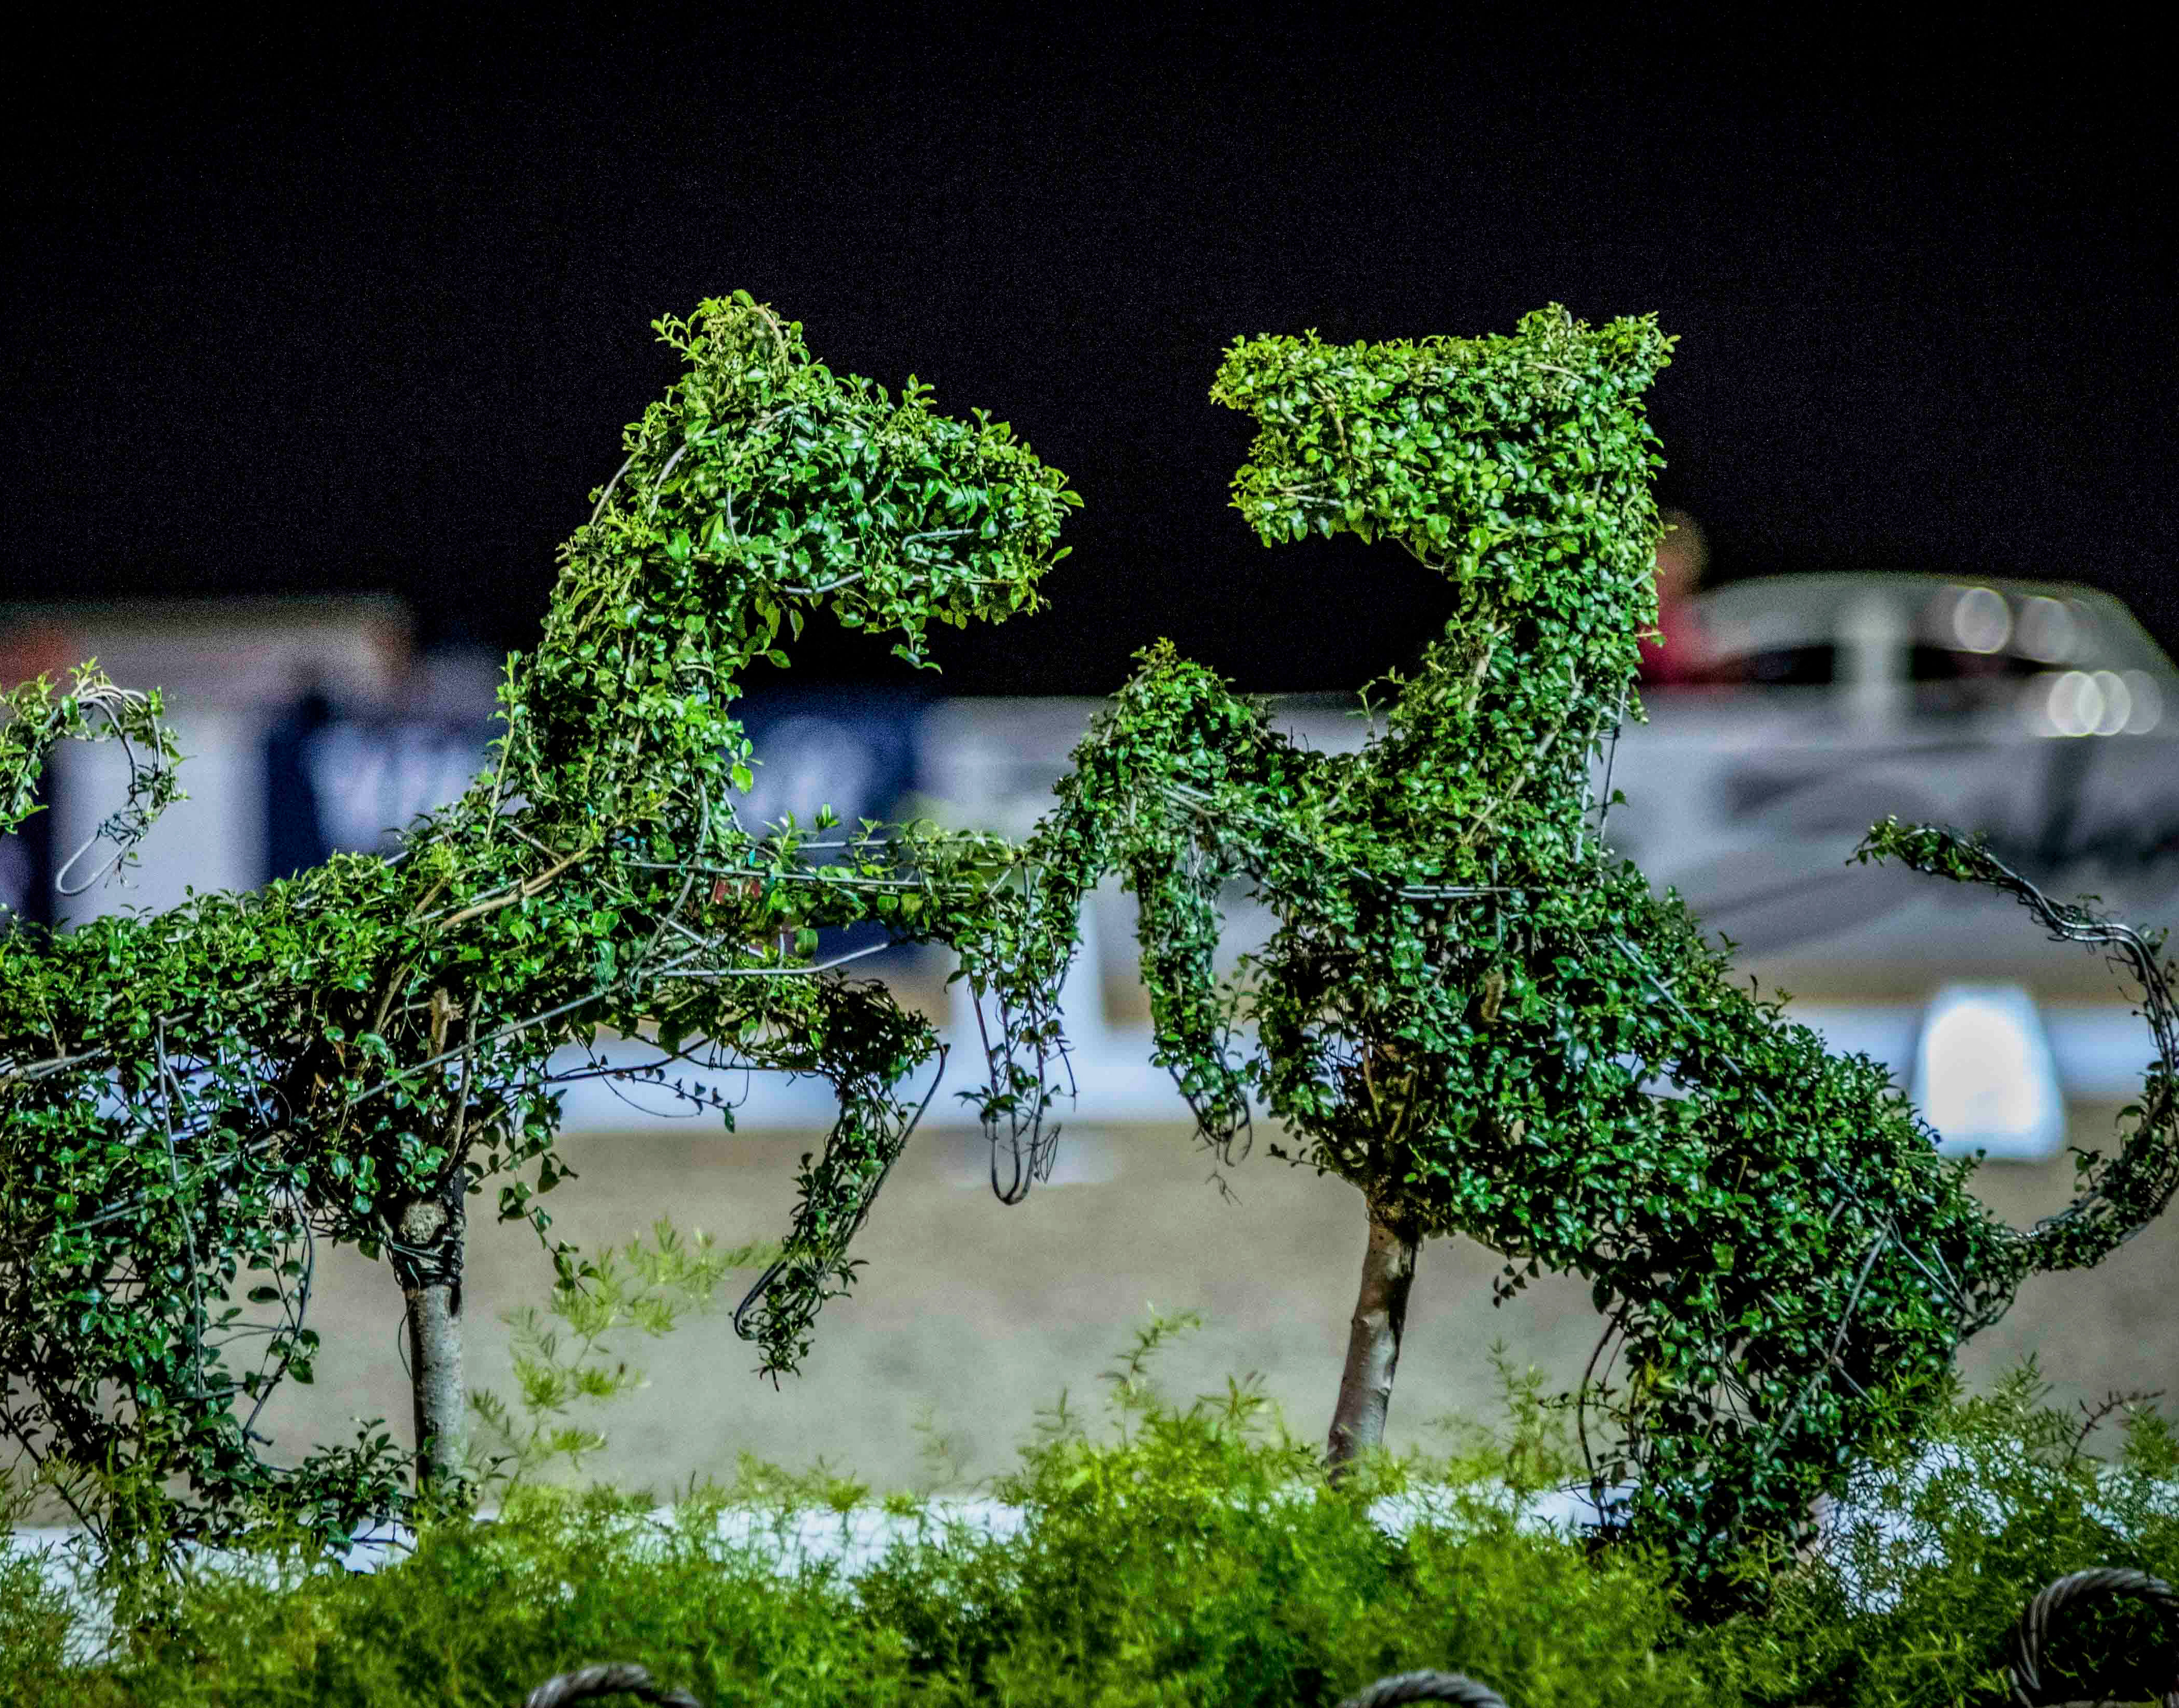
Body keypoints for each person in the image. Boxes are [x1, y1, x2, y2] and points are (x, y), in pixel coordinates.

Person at [1639, 509, 1715, 686]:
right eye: (1655, 580)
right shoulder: (1631, 628)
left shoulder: (1694, 630)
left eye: (1674, 581)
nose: (1661, 590)